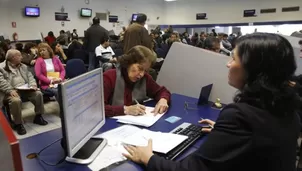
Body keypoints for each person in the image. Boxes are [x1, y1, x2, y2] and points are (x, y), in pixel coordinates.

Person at [122, 33, 300, 171]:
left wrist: (149, 158)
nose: (228, 64)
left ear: (253, 70)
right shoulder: (288, 111)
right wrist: (228, 133)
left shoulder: (240, 117)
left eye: (234, 59)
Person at [103, 45, 171, 117]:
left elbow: (162, 91)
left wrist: (163, 100)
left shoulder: (145, 78)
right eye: (140, 68)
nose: (142, 74)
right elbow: (97, 109)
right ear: (128, 62)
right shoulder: (109, 77)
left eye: (145, 70)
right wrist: (126, 110)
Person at [2, 49, 48, 135]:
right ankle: (18, 123)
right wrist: (9, 90)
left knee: (38, 94)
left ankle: (38, 116)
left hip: (24, 89)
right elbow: (1, 82)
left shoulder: (23, 66)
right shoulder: (1, 67)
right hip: (10, 91)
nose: (21, 57)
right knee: (16, 101)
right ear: (13, 57)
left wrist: (33, 85)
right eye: (19, 55)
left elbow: (30, 77)